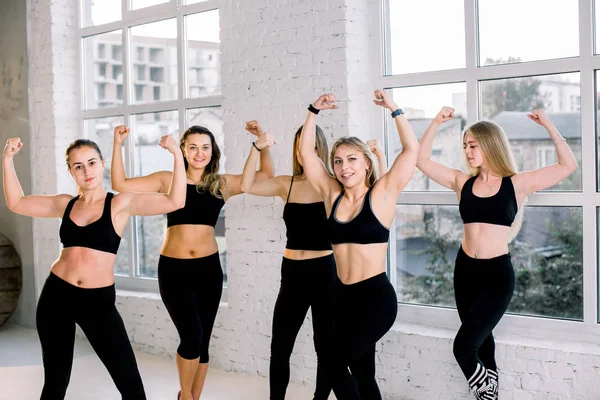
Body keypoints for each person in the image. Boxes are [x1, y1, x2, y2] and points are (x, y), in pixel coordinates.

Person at [2, 134, 186, 399]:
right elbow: (17, 202)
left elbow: (175, 201)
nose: (86, 171)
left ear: (102, 164)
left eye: (91, 163)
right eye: (78, 166)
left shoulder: (121, 203)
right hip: (57, 296)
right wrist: (7, 159)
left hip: (97, 301)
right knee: (55, 382)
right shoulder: (65, 204)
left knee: (130, 383)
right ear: (71, 172)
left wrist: (177, 156)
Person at [415, 106, 578, 399]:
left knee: (463, 347)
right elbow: (421, 160)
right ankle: (490, 395)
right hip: (465, 272)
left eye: (473, 144)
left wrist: (549, 125)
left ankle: (486, 391)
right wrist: (435, 122)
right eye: (464, 145)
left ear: (490, 144)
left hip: (496, 275)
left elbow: (568, 166)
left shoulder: (516, 184)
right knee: (483, 345)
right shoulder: (462, 182)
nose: (467, 150)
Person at [111, 124, 273, 400]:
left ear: (213, 151)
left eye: (205, 147)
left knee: (203, 342)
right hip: (175, 271)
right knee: (191, 338)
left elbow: (264, 176)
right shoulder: (168, 179)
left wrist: (262, 143)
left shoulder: (220, 183)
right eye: (193, 147)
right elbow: (120, 184)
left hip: (208, 271)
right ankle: (185, 395)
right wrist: (117, 145)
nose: (200, 153)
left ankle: (193, 397)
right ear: (183, 150)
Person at [240, 120, 388, 399]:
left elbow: (378, 193)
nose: (302, 153)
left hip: (325, 272)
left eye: (307, 148)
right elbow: (247, 184)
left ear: (318, 151)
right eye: (298, 149)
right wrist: (257, 146)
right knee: (280, 346)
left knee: (326, 347)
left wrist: (379, 156)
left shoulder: (334, 187)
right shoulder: (288, 184)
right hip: (293, 272)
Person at [298, 91, 420, 399]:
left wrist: (394, 109)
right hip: (343, 299)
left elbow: (411, 150)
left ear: (366, 163)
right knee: (364, 374)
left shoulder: (381, 194)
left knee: (332, 362)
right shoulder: (331, 195)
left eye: (352, 159)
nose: (343, 167)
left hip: (375, 300)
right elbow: (306, 156)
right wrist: (313, 111)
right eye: (338, 161)